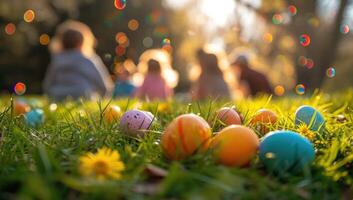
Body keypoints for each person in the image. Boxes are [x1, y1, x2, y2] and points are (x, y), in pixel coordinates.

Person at [43, 21, 113, 101]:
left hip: (58, 95)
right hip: (82, 95)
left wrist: (49, 95)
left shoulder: (57, 59)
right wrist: (104, 98)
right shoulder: (88, 59)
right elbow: (102, 83)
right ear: (83, 42)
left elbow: (48, 83)